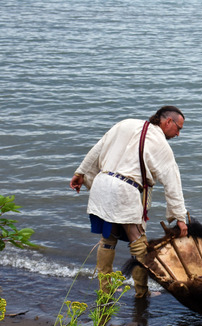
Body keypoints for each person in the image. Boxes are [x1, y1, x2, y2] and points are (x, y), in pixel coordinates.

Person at [70, 106, 188, 298]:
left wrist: (80, 173)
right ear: (168, 122)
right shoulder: (161, 144)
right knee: (138, 241)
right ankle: (142, 292)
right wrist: (179, 218)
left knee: (108, 239)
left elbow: (97, 148)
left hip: (103, 184)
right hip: (125, 191)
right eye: (179, 128)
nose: (178, 134)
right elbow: (172, 183)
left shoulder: (125, 124)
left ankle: (105, 291)